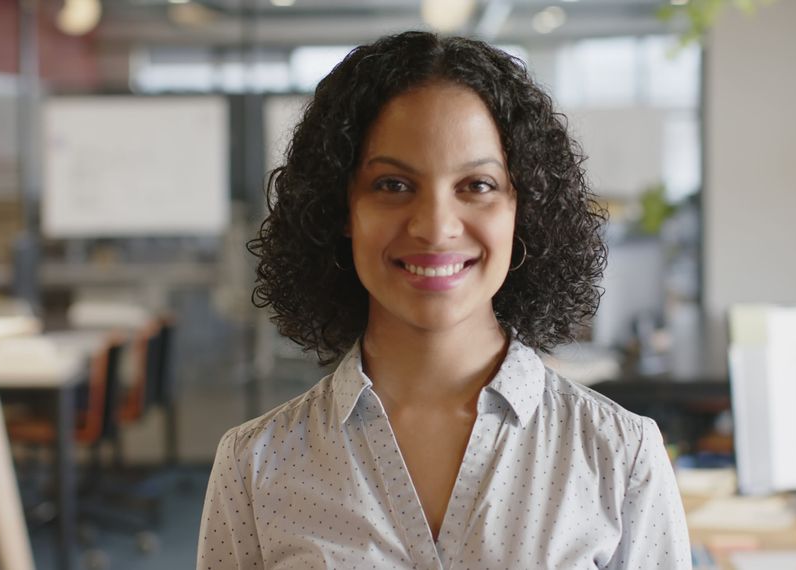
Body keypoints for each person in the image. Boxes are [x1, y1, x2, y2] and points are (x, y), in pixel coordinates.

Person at [198, 31, 691, 570]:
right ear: (341, 210)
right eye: (392, 185)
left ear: (522, 210)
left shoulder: (619, 453)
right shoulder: (254, 465)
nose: (435, 227)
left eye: (477, 185)